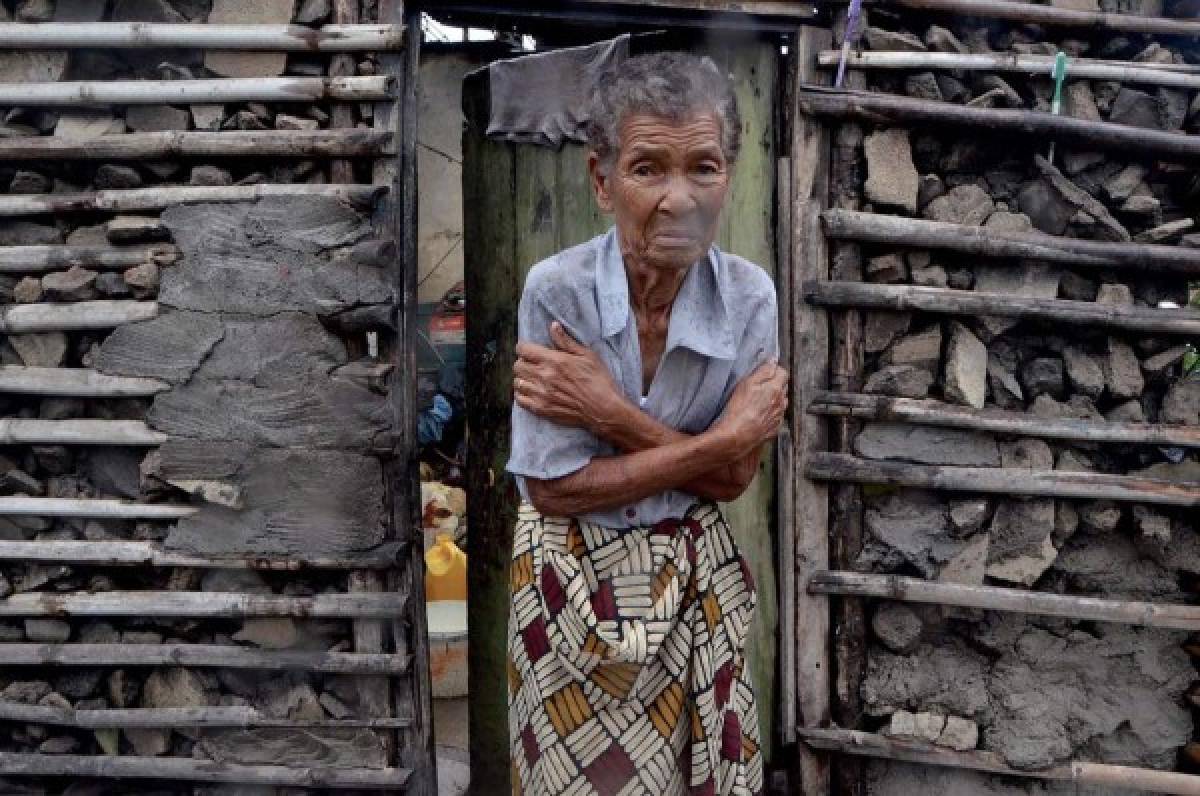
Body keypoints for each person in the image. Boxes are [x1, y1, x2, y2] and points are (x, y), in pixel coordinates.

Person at [505, 51, 788, 796]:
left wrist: (608, 415)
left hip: (693, 590)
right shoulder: (557, 290)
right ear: (601, 182)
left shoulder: (751, 300)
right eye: (646, 169)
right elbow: (555, 489)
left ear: (728, 173)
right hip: (569, 583)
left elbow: (735, 480)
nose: (677, 199)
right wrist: (718, 441)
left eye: (703, 167)